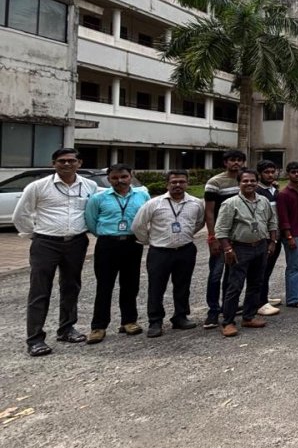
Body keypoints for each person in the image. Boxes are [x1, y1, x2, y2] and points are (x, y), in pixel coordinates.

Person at [13, 147, 99, 356]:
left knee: (71, 286)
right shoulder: (38, 187)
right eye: (62, 161)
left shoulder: (90, 185)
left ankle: (66, 329)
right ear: (54, 164)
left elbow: (95, 209)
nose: (67, 164)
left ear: (79, 163)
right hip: (45, 243)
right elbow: (20, 214)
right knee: (39, 291)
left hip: (77, 242)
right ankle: (35, 339)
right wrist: (34, 235)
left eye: (71, 160)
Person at [131, 170, 206, 338]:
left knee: (182, 286)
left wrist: (187, 234)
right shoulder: (154, 203)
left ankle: (180, 317)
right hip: (160, 252)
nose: (177, 185)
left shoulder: (195, 203)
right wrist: (149, 240)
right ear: (167, 184)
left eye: (181, 182)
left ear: (187, 183)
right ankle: (155, 321)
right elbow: (138, 225)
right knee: (156, 287)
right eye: (174, 182)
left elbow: (200, 222)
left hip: (185, 250)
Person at [84, 163, 150, 343]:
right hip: (107, 244)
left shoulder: (142, 195)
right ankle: (98, 326)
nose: (119, 181)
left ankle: (129, 321)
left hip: (132, 243)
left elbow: (146, 217)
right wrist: (107, 235)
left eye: (123, 177)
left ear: (131, 176)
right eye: (114, 178)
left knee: (130, 284)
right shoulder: (98, 198)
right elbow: (91, 221)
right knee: (104, 285)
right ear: (109, 179)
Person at [214, 168, 278, 337]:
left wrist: (272, 242)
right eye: (245, 181)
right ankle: (228, 321)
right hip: (239, 248)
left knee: (256, 283)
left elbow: (272, 222)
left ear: (257, 182)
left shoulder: (263, 201)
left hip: (260, 247)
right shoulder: (230, 203)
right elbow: (221, 230)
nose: (249, 184)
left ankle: (248, 316)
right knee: (234, 285)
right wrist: (227, 248)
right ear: (239, 183)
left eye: (252, 181)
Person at [202, 149, 245, 328]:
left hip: (239, 236)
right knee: (216, 274)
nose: (236, 163)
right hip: (222, 235)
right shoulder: (215, 182)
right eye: (232, 160)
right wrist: (213, 237)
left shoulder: (245, 179)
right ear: (225, 162)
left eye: (239, 160)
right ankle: (213, 310)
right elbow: (209, 212)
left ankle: (229, 307)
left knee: (233, 274)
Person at [276, 161, 298, 308]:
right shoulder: (284, 194)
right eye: (293, 172)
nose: (296, 174)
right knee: (294, 266)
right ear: (288, 174)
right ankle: (293, 298)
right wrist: (288, 236)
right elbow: (283, 218)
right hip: (292, 234)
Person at [254, 160, 282, 316]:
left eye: (273, 172)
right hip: (264, 236)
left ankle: (263, 296)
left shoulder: (274, 190)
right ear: (260, 174)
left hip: (276, 234)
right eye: (267, 172)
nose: (270, 175)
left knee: (268, 268)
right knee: (261, 269)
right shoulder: (257, 191)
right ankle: (260, 302)